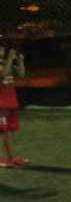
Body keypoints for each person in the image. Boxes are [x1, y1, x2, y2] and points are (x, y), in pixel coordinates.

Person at [0, 38, 28, 168]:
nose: (2, 51)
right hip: (1, 103)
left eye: (2, 49)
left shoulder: (5, 62)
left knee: (10, 130)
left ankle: (12, 157)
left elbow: (21, 74)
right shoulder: (5, 64)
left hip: (10, 102)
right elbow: (2, 74)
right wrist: (10, 59)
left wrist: (20, 61)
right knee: (2, 131)